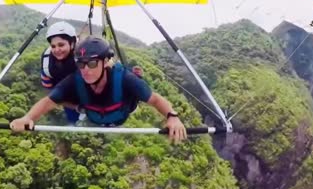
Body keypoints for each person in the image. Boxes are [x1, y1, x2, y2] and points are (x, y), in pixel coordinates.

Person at [11, 36, 187, 142]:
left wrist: (172, 117)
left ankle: (136, 75)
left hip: (123, 109)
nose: (86, 70)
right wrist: (28, 118)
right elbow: (48, 101)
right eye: (81, 64)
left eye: (92, 63)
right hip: (94, 114)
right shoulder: (75, 79)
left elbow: (155, 99)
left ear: (104, 62)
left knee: (137, 84)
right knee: (68, 95)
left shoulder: (124, 78)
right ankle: (81, 106)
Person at [40, 21, 82, 124]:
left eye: (61, 45)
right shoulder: (48, 64)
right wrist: (75, 107)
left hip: (92, 99)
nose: (57, 49)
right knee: (76, 125)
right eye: (53, 46)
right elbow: (50, 92)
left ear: (72, 43)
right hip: (69, 102)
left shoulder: (84, 56)